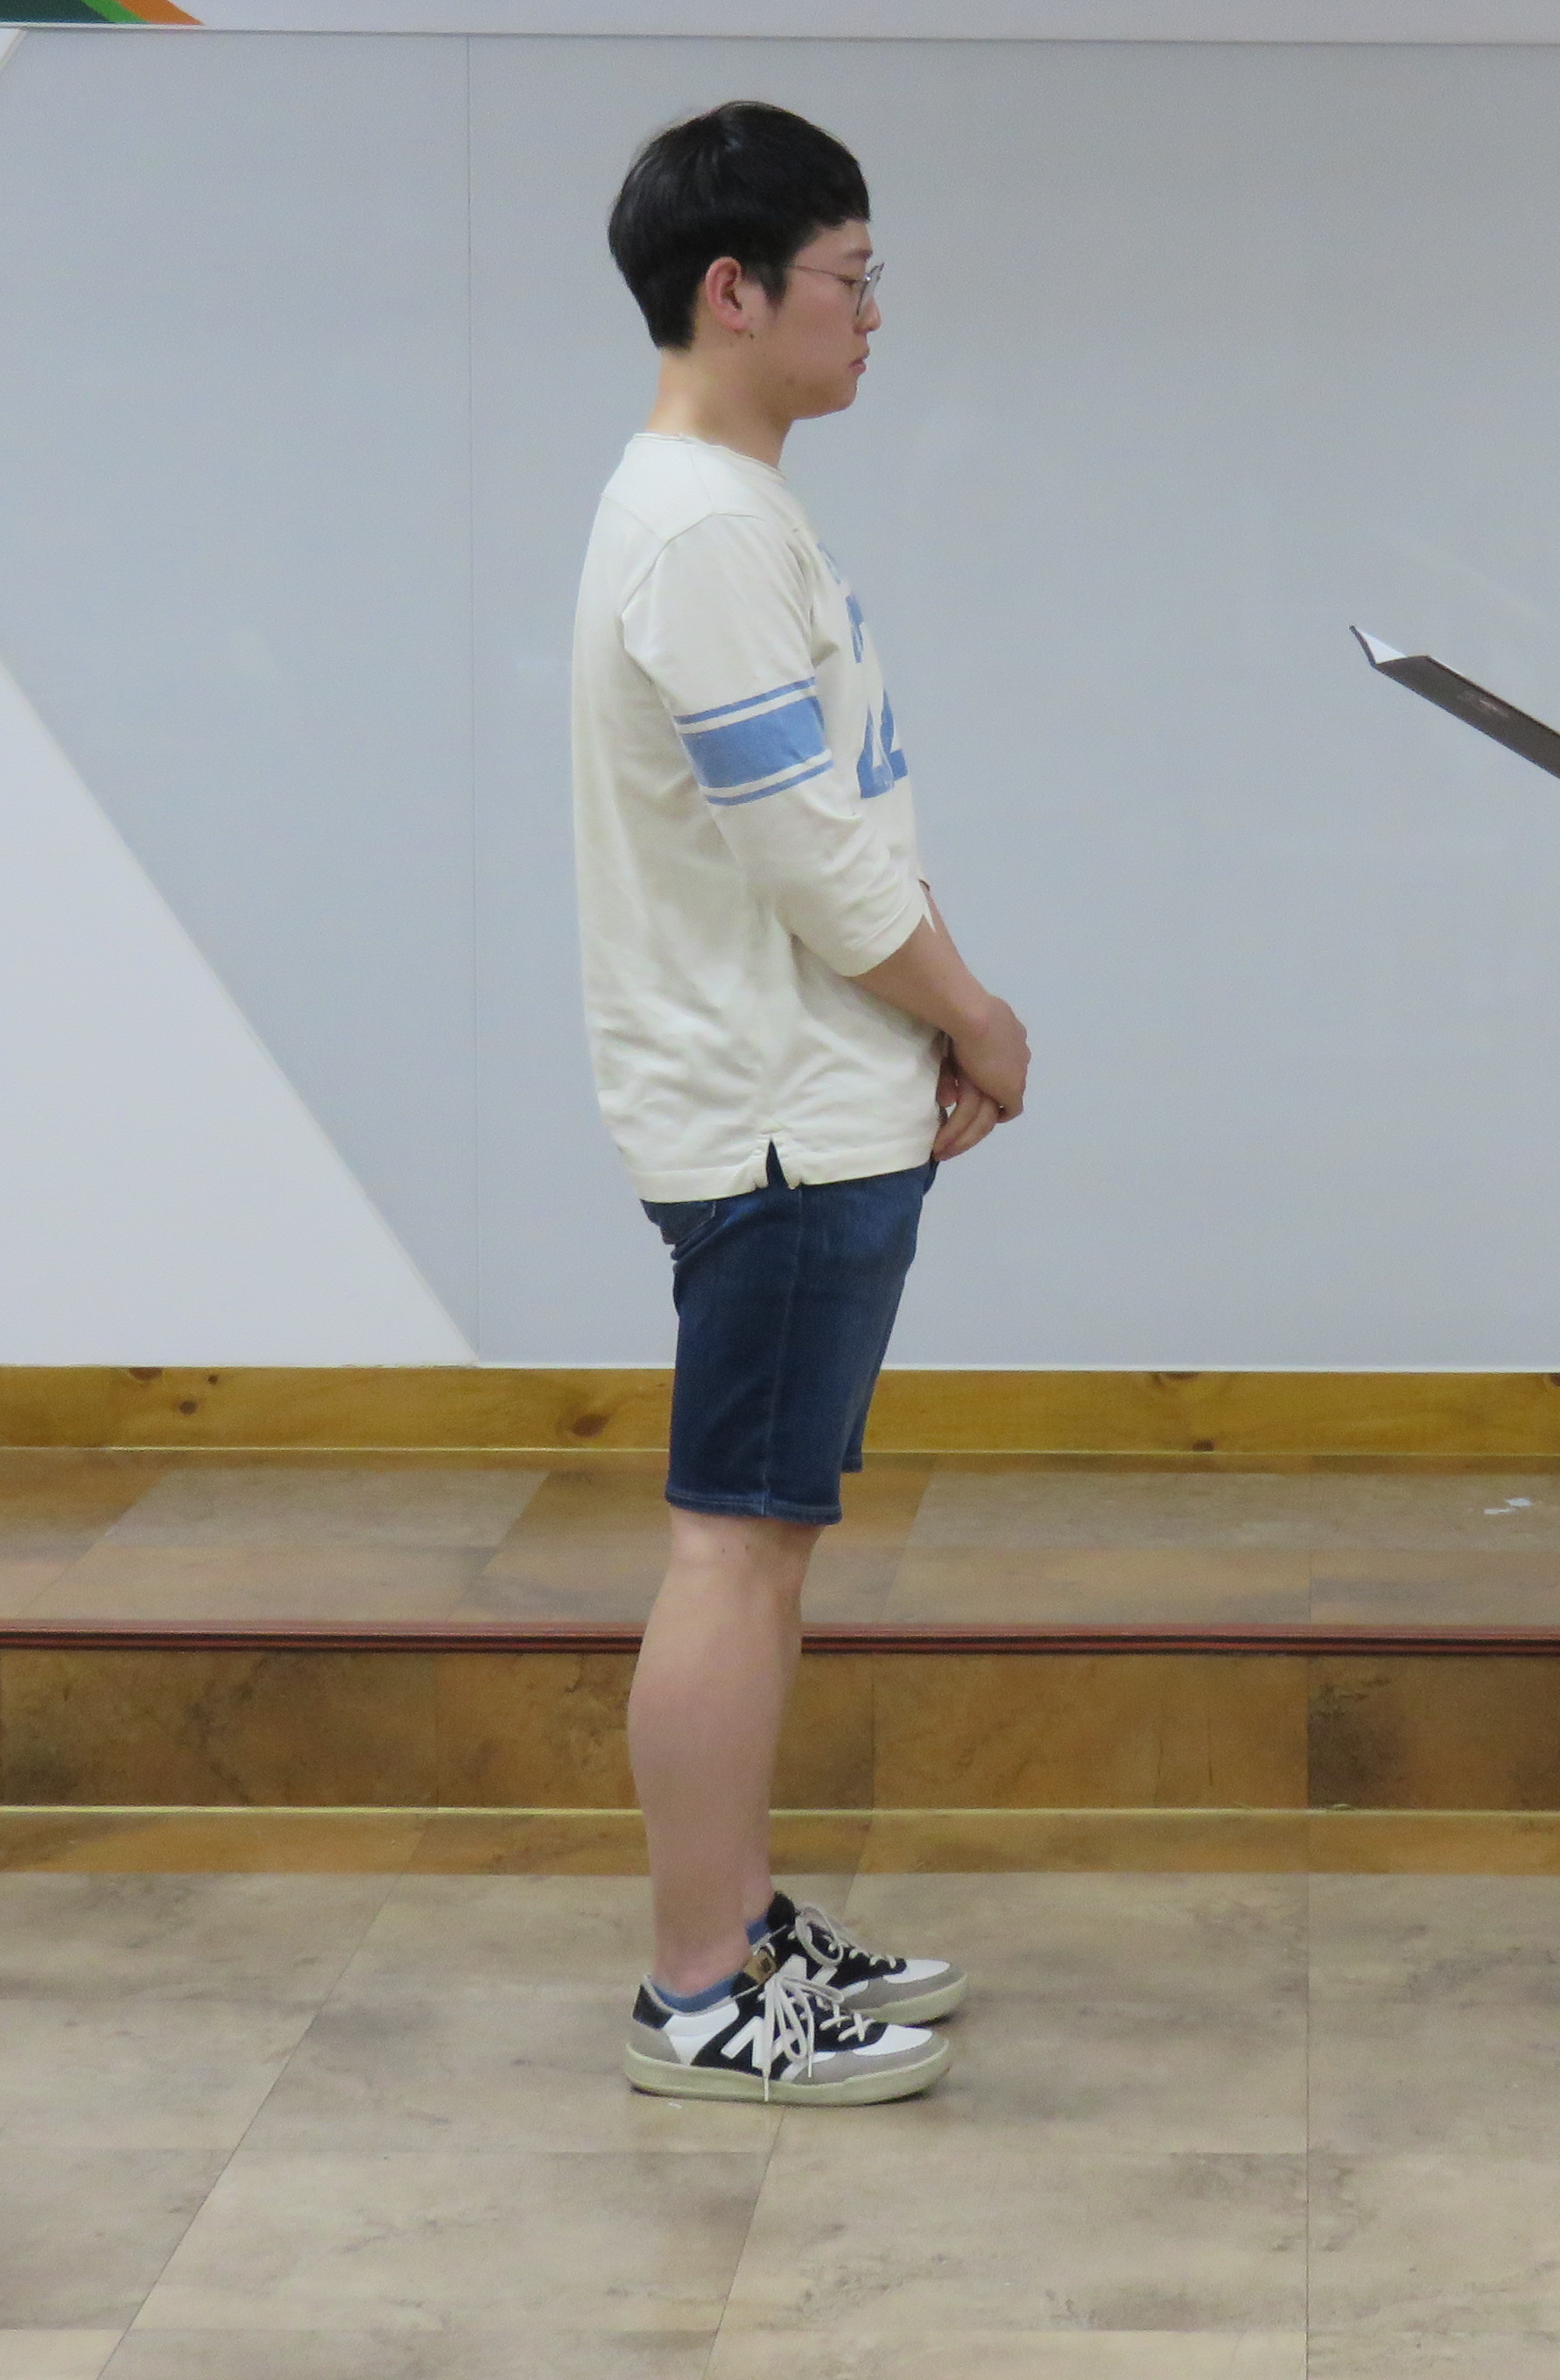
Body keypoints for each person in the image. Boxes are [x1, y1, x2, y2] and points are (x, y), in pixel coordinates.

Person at [573, 101, 1032, 2105]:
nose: (873, 313)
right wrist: (981, 1019)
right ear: (733, 290)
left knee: (763, 1538)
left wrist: (928, 1021)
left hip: (812, 1093)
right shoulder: (700, 528)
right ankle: (699, 1987)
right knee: (733, 1547)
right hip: (771, 1114)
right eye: (849, 277)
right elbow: (814, 864)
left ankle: (744, 1919)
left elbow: (837, 824)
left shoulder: (732, 511)